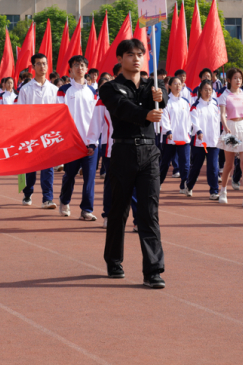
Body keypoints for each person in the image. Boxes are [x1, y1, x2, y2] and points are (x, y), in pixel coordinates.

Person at [96, 38, 166, 288]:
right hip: (123, 153)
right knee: (119, 211)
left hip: (150, 153)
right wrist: (145, 113)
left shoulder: (152, 86)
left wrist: (161, 96)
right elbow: (122, 109)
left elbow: (162, 101)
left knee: (149, 213)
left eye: (140, 54)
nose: (136, 58)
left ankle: (153, 271)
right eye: (130, 54)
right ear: (120, 58)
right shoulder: (110, 87)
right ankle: (114, 261)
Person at [57, 55, 101, 220]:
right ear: (71, 69)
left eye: (82, 65)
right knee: (70, 175)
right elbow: (59, 115)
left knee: (90, 178)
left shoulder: (93, 91)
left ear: (86, 69)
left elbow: (96, 117)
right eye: (76, 65)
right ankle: (64, 201)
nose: (79, 68)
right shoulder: (64, 90)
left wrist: (93, 141)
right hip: (71, 142)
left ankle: (86, 210)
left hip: (90, 142)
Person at [17, 54, 59, 207]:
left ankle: (47, 198)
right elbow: (20, 114)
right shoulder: (25, 89)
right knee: (31, 168)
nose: (42, 66)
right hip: (31, 134)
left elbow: (58, 113)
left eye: (44, 63)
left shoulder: (54, 90)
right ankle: (28, 193)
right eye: (39, 64)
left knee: (48, 168)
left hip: (48, 135)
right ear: (33, 67)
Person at [216, 69, 243, 207]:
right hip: (230, 128)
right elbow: (222, 114)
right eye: (235, 78)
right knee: (229, 164)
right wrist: (225, 126)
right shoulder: (224, 95)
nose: (238, 80)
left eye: (240, 78)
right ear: (229, 80)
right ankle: (223, 191)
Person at [185, 80, 221, 199]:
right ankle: (189, 185)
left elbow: (220, 119)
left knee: (213, 167)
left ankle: (214, 191)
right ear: (200, 91)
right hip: (199, 142)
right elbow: (194, 121)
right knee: (196, 167)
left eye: (210, 90)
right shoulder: (195, 106)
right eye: (205, 90)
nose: (208, 92)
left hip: (214, 141)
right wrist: (199, 131)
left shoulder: (215, 104)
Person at [159, 75, 191, 191]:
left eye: (179, 84)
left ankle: (184, 185)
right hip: (170, 137)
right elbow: (164, 117)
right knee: (165, 162)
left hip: (184, 137)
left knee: (185, 163)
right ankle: (158, 183)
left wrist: (188, 131)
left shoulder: (185, 102)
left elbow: (189, 119)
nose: (178, 86)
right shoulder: (166, 101)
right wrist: (168, 130)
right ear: (169, 86)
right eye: (175, 84)